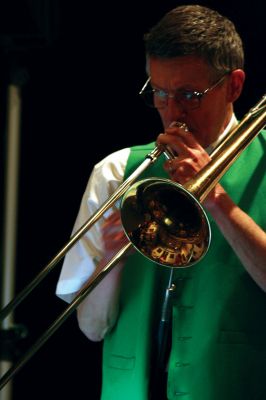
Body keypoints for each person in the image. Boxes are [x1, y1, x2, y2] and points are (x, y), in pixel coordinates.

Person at [56, 4, 266, 400]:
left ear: (234, 86)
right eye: (160, 93)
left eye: (189, 94)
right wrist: (109, 261)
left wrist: (217, 199)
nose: (172, 113)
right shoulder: (116, 171)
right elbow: (91, 328)